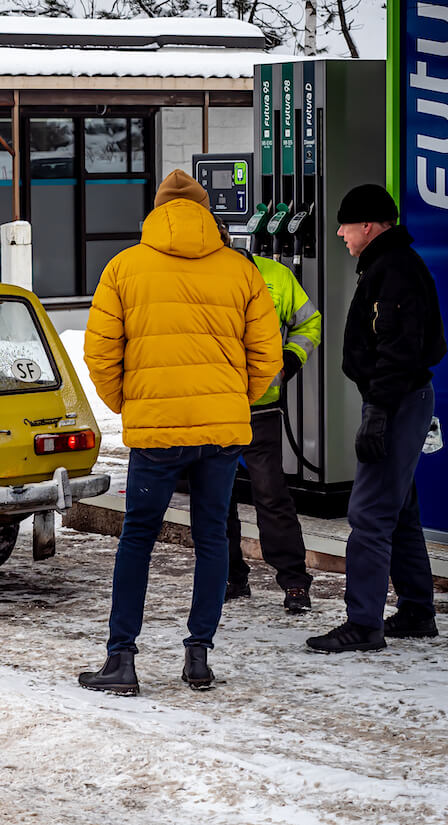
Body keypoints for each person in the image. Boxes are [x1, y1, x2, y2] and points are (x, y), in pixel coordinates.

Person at [78, 169, 282, 695]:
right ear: (205, 212)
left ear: (157, 212)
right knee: (212, 537)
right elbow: (267, 354)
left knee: (139, 538)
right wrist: (236, 398)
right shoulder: (240, 269)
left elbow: (100, 352)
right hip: (221, 433)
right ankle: (198, 657)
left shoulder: (124, 266)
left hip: (157, 435)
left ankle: (121, 659)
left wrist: (129, 402)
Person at [307, 183, 446, 653]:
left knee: (367, 513)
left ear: (368, 225)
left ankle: (363, 624)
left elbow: (398, 351)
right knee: (399, 510)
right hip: (399, 400)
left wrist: (379, 414)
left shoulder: (395, 271)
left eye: (346, 224)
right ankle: (416, 610)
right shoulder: (387, 265)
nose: (341, 234)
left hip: (398, 402)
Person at [223, 243, 322, 613]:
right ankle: (231, 577)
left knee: (272, 497)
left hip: (260, 409)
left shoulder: (276, 276)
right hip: (214, 410)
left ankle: (295, 583)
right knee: (216, 500)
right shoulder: (200, 277)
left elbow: (309, 322)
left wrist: (290, 361)